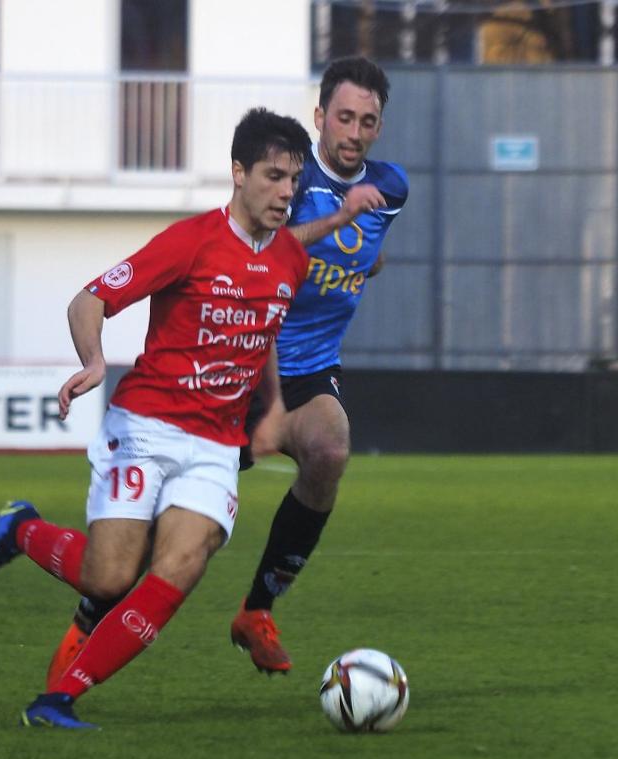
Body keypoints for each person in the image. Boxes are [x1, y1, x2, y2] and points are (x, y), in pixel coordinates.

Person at [41, 56, 409, 683]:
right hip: (236, 371)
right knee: (132, 560)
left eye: (367, 121)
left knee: (329, 448)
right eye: (343, 116)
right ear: (320, 116)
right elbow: (269, 248)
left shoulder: (390, 189)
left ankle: (257, 609)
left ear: (379, 126)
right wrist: (340, 221)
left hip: (308, 368)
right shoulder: (288, 179)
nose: (354, 131)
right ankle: (88, 612)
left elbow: (361, 258)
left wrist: (361, 260)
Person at [0, 108, 313, 729]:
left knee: (182, 565)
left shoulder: (290, 263)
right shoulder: (190, 241)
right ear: (237, 172)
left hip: (215, 446)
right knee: (109, 579)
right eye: (274, 176)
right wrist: (93, 361)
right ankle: (21, 530)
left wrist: (272, 405)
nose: (286, 192)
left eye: (293, 181)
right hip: (143, 426)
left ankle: (58, 699)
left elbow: (263, 332)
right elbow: (90, 297)